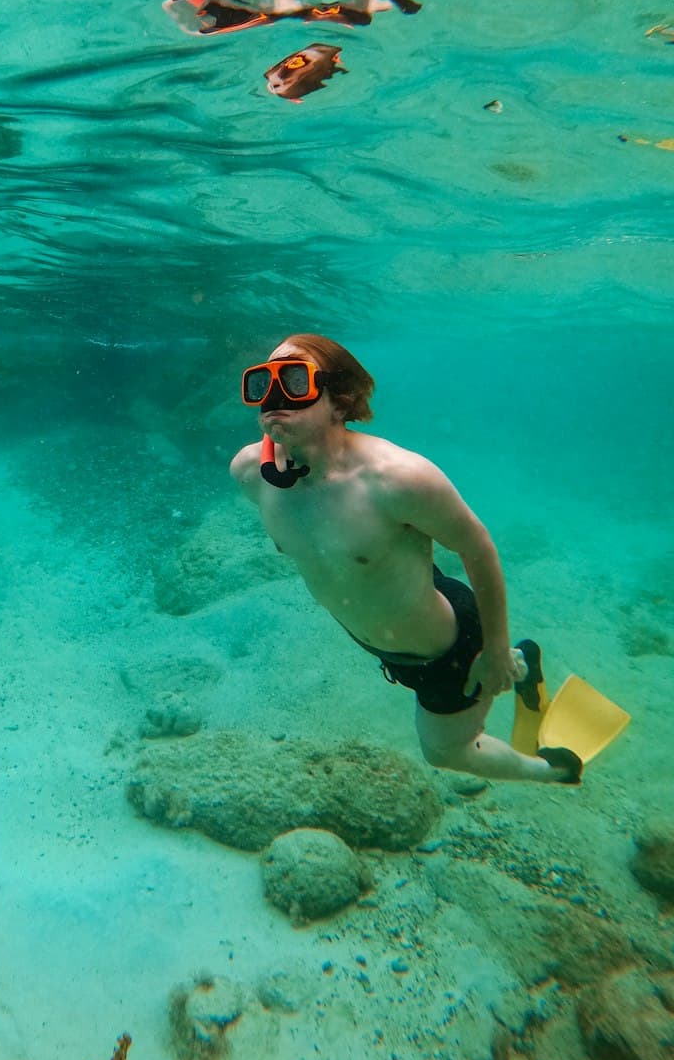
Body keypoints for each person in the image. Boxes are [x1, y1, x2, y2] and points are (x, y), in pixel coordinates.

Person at [229, 332, 581, 783]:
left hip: (448, 650)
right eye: (263, 382)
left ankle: (556, 770)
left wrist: (492, 651)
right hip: (383, 638)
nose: (275, 396)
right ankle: (523, 663)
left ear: (341, 401)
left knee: (446, 753)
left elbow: (478, 548)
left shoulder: (398, 480)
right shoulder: (249, 475)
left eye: (295, 380)